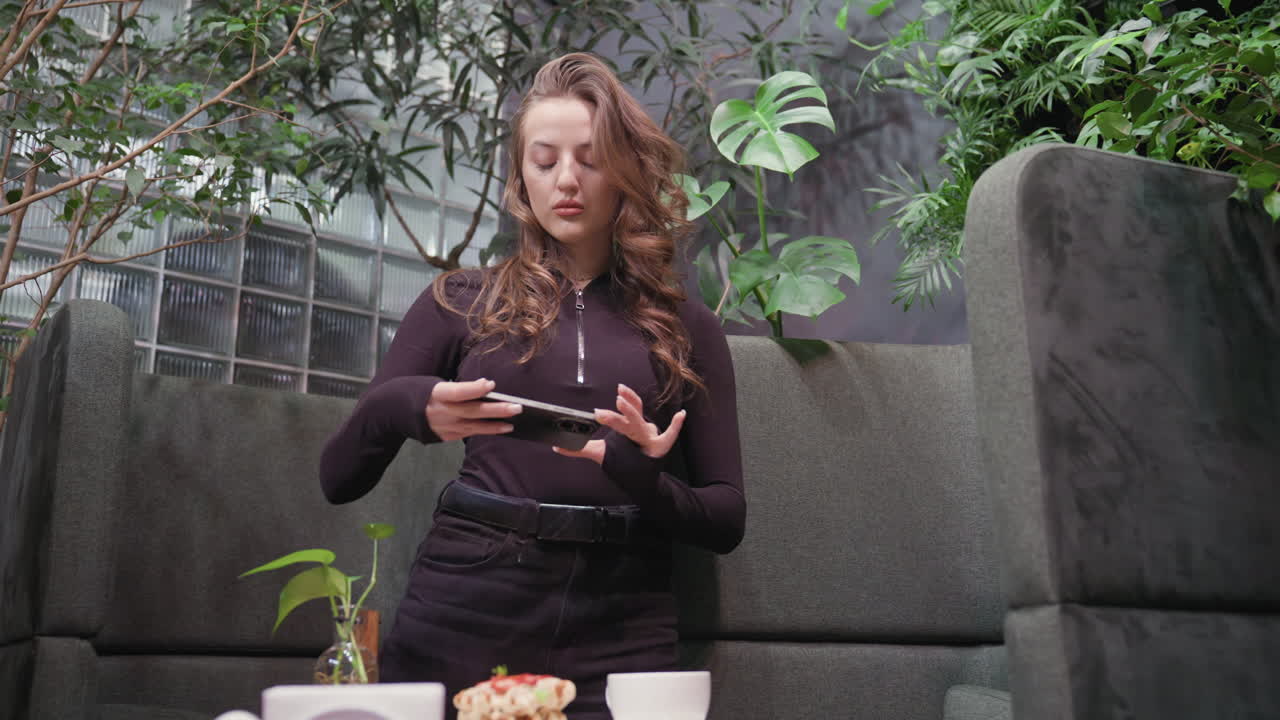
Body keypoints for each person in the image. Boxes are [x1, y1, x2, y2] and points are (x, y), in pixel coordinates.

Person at [319, 52, 745, 720]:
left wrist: (637, 472)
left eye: (591, 158)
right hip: (469, 596)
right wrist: (415, 406)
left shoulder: (687, 328)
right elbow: (338, 476)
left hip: (624, 616)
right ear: (521, 176)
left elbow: (725, 520)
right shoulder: (460, 301)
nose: (567, 180)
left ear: (626, 170)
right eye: (545, 161)